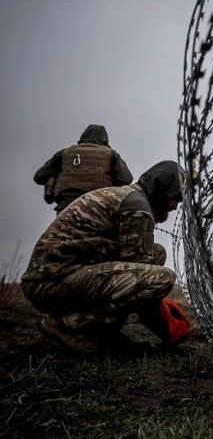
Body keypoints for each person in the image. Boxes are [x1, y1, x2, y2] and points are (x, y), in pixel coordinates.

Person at [21, 160, 189, 354]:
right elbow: (141, 276)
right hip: (51, 283)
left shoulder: (127, 196)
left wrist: (160, 307)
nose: (175, 206)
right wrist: (166, 323)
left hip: (55, 277)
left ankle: (101, 331)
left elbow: (135, 267)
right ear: (163, 189)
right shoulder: (137, 207)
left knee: (157, 253)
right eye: (175, 197)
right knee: (163, 278)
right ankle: (72, 327)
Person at [33, 124, 133, 214]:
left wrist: (56, 177)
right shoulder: (110, 154)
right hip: (96, 205)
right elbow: (126, 179)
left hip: (66, 206)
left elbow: (39, 177)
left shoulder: (64, 154)